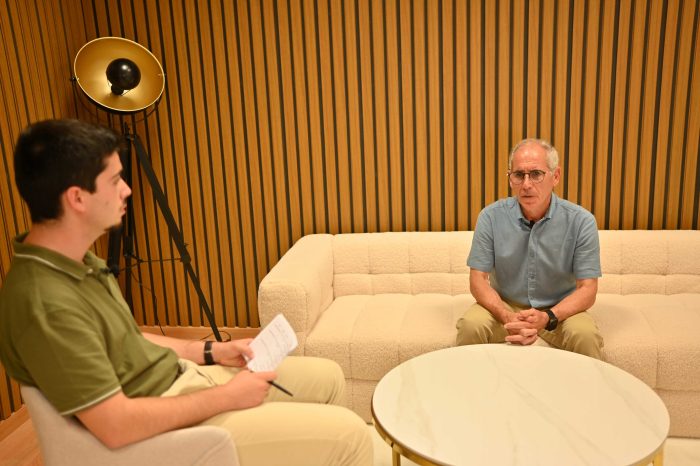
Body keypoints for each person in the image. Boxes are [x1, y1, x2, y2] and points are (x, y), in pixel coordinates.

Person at [0, 119, 372, 465]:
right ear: (77, 198)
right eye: (115, 180)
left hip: (181, 379)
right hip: (161, 426)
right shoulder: (45, 303)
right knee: (350, 435)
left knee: (327, 376)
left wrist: (209, 351)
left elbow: (125, 338)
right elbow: (116, 425)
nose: (127, 189)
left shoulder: (75, 260)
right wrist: (226, 397)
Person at [456, 138, 603, 359]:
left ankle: (588, 385)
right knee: (470, 327)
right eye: (519, 175)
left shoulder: (581, 221)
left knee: (585, 336)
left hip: (559, 311)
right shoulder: (490, 217)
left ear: (555, 176)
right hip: (504, 306)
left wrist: (549, 316)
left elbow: (588, 289)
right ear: (510, 179)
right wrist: (506, 315)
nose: (526, 184)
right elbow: (478, 279)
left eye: (536, 174)